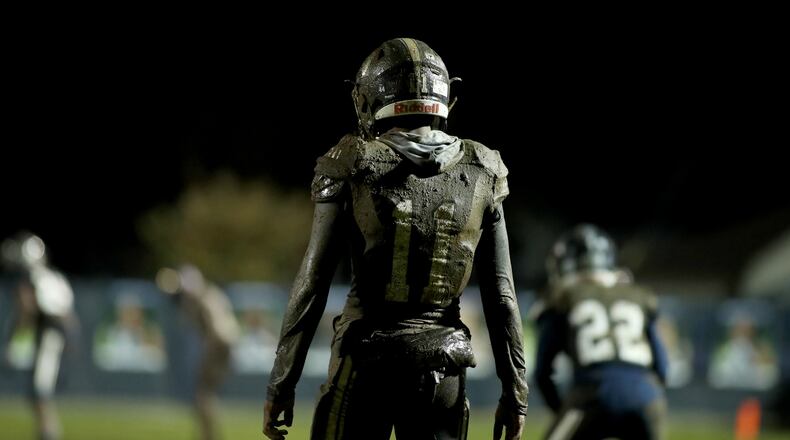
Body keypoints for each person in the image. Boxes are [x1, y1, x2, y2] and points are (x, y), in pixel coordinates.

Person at [262, 38, 528, 440]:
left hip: (365, 361)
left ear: (370, 97)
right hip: (444, 366)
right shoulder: (481, 167)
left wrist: (281, 384)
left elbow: (312, 282)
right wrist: (515, 392)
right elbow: (501, 294)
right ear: (444, 96)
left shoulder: (352, 160)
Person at [533, 224, 668, 440]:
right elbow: (662, 367)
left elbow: (542, 374)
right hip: (646, 396)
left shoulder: (563, 298)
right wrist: (641, 392)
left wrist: (562, 409)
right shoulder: (636, 294)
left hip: (592, 394)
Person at [1, 232, 78, 440]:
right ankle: (47, 432)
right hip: (56, 334)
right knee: (38, 391)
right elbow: (69, 315)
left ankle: (49, 434)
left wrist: (12, 343)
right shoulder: (54, 277)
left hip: (50, 334)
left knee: (40, 390)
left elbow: (26, 312)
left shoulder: (34, 278)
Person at [157, 264, 241, 440]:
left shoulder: (200, 299)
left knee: (203, 393)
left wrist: (208, 351)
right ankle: (207, 433)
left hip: (218, 342)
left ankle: (208, 435)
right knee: (206, 392)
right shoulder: (210, 293)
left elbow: (214, 329)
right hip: (228, 341)